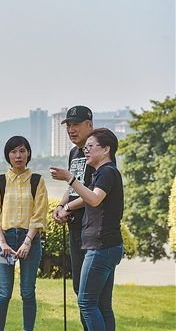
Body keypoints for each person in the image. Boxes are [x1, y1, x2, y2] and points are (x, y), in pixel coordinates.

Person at [50, 128, 124, 330]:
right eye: (85, 147)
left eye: (91, 147)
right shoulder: (101, 173)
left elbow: (93, 198)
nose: (86, 151)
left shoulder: (107, 172)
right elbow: (87, 196)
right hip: (107, 245)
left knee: (86, 303)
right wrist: (63, 206)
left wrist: (70, 178)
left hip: (101, 246)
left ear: (106, 149)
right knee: (102, 305)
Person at [0, 136, 48, 331]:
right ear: (8, 155)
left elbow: (39, 215)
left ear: (28, 153)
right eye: (13, 152)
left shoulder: (37, 181)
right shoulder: (0, 182)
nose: (18, 155)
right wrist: (3, 243)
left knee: (27, 292)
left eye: (22, 151)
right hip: (6, 243)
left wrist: (28, 242)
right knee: (4, 292)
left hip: (29, 241)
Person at [51, 105, 94, 330]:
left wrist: (68, 207)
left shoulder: (97, 151)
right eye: (68, 125)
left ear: (90, 125)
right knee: (79, 288)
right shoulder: (74, 153)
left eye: (76, 124)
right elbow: (74, 185)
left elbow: (94, 193)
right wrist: (60, 206)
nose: (71, 130)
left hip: (92, 229)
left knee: (91, 294)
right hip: (75, 228)